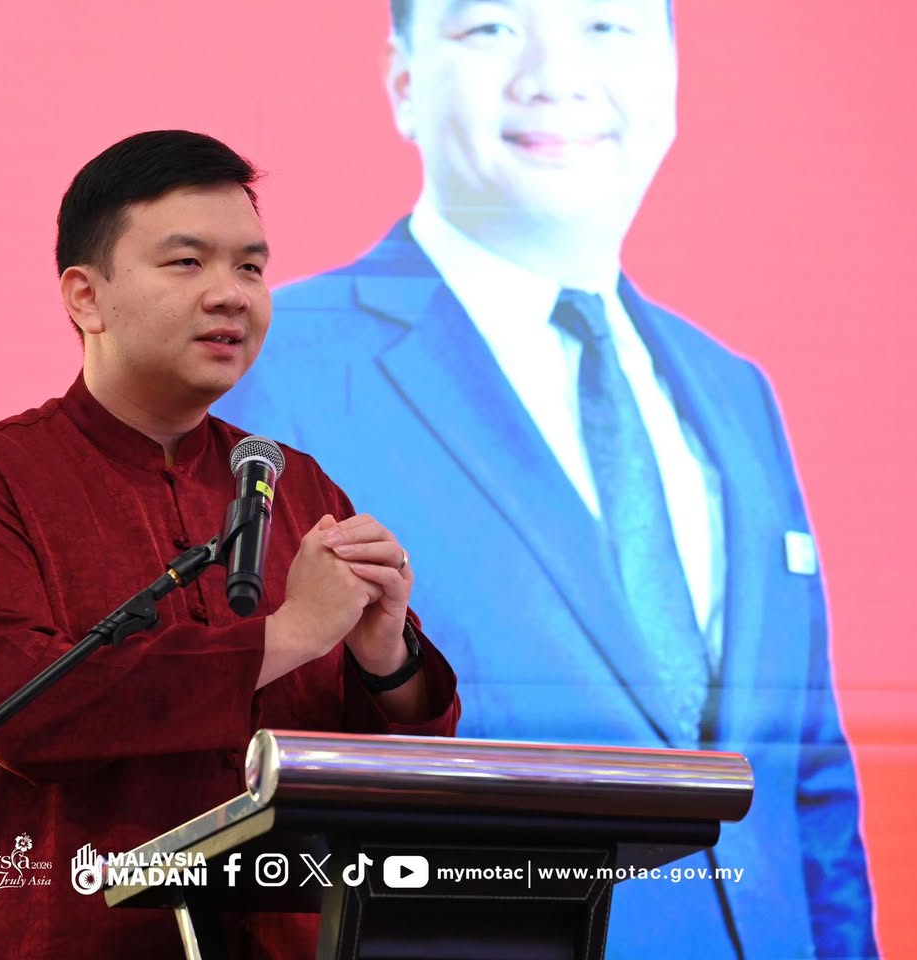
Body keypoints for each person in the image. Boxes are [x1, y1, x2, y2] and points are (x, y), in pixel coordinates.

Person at [213, 1, 879, 957]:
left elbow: (808, 784)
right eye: (491, 29)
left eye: (605, 28)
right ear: (403, 80)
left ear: (671, 74)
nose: (552, 73)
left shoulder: (735, 394)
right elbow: (229, 774)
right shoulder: (277, 369)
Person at [0, 130, 460, 959]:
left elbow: (383, 781)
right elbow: (21, 715)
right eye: (187, 263)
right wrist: (288, 635)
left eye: (251, 267)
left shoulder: (296, 486)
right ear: (85, 297)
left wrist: (386, 661)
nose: (231, 295)